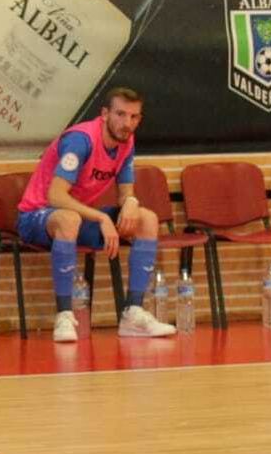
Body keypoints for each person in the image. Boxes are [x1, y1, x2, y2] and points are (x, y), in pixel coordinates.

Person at [13, 87, 175, 343]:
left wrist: (131, 202)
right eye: (120, 114)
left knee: (147, 219)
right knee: (69, 218)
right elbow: (56, 196)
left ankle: (132, 313)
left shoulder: (126, 142)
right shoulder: (81, 140)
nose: (126, 123)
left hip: (77, 217)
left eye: (134, 117)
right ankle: (64, 316)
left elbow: (125, 194)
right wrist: (102, 218)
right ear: (104, 114)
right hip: (37, 216)